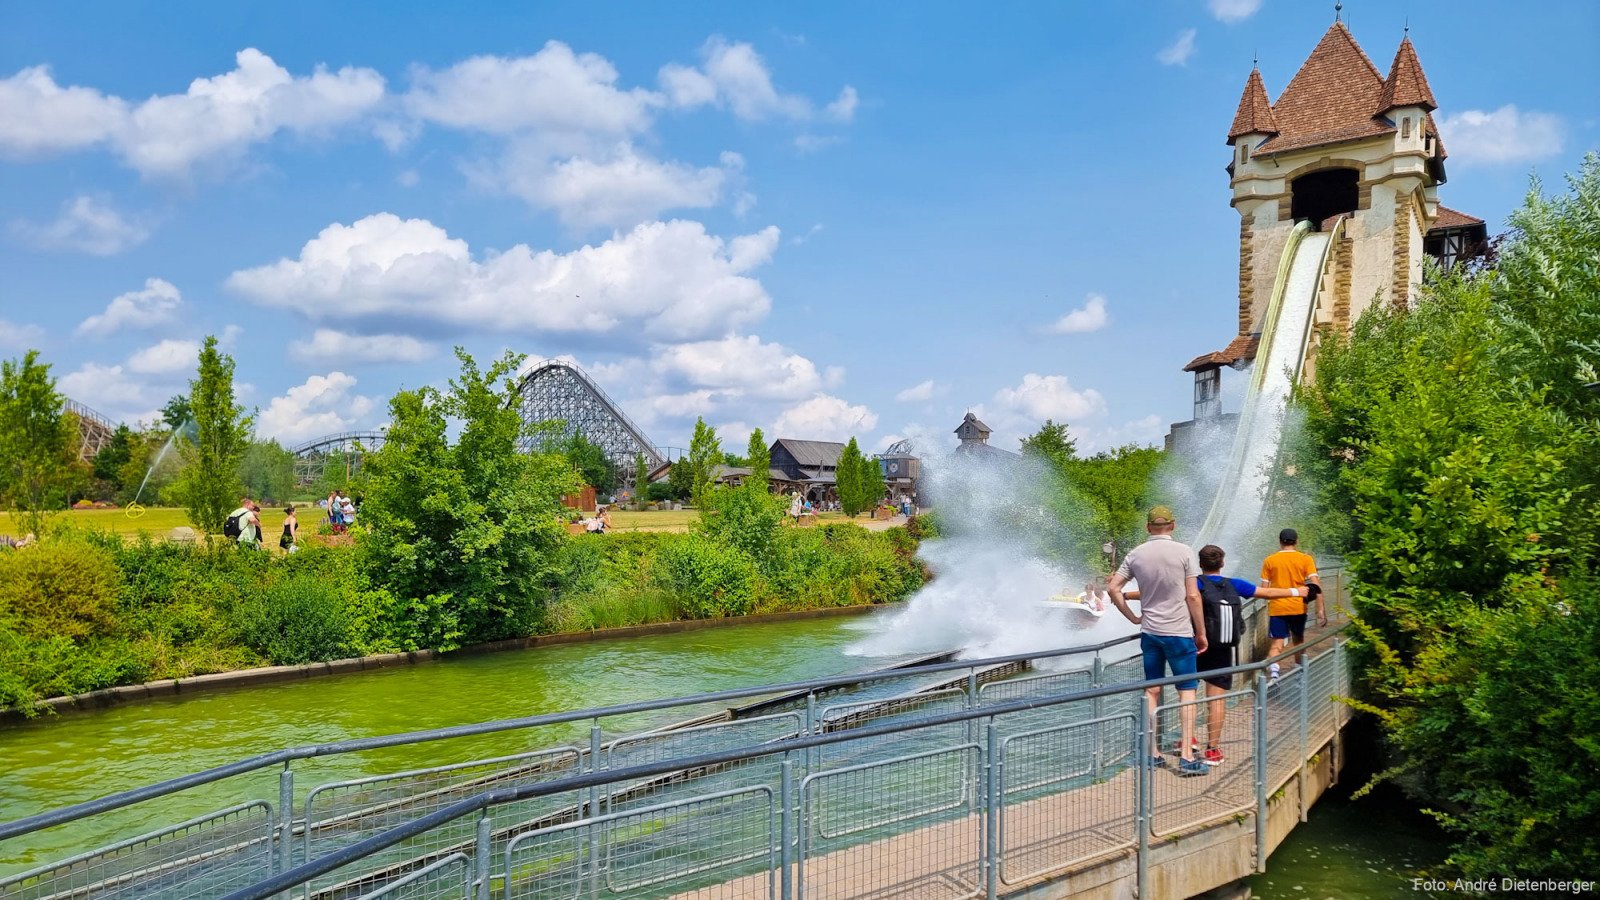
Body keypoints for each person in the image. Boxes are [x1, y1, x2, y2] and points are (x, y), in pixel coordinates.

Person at [1107, 505, 1209, 777]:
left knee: (1151, 691)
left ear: (1148, 527)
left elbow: (1112, 587)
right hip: (1178, 632)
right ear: (1173, 526)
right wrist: (1200, 632)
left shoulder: (1136, 554)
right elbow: (1193, 596)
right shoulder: (1185, 552)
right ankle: (1187, 756)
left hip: (1150, 632)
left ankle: (1152, 754)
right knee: (1187, 690)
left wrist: (1132, 617)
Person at [1192, 544, 1303, 765]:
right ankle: (1212, 749)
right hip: (1222, 648)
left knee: (1187, 693)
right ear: (1222, 563)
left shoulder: (1194, 583)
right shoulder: (1235, 584)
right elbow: (1268, 593)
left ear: (1200, 563)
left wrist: (1125, 595)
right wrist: (1295, 591)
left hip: (1196, 644)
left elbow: (1162, 593)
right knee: (1217, 699)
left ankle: (1188, 740)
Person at [1260, 528, 1323, 681]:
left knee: (1277, 642)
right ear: (1296, 541)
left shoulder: (1269, 560)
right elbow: (1316, 585)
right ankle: (1299, 673)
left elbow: (1263, 589)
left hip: (1277, 607)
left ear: (1280, 541)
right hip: (1298, 607)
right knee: (1298, 640)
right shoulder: (1305, 559)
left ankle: (1274, 672)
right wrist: (1320, 610)